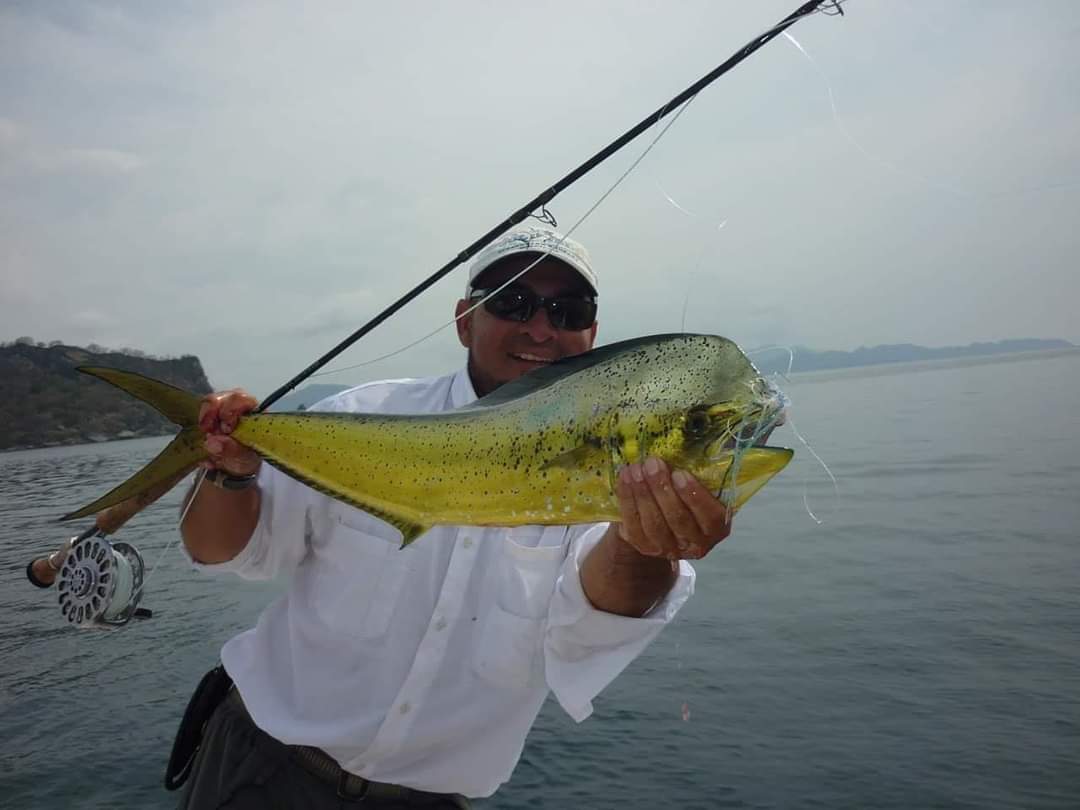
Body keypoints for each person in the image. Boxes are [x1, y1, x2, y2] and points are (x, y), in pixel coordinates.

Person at [174, 226, 736, 808]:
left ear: (592, 336)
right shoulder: (366, 417)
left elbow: (591, 628)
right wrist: (230, 471)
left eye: (568, 312)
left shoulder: (616, 460)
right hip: (258, 768)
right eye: (513, 301)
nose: (541, 328)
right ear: (465, 319)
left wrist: (647, 540)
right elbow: (223, 551)